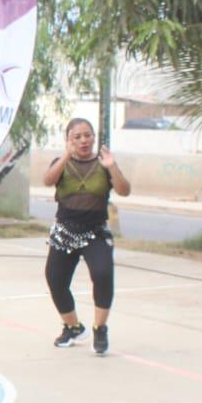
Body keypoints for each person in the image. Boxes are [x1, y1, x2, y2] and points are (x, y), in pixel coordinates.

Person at [40, 117, 131, 355]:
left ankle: (100, 329)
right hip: (66, 229)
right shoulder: (61, 162)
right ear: (68, 140)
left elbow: (124, 190)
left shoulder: (104, 164)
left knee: (102, 274)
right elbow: (48, 180)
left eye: (87, 135)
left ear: (94, 137)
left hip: (95, 231)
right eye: (77, 137)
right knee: (55, 279)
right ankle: (73, 327)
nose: (83, 140)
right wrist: (66, 156)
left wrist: (112, 166)